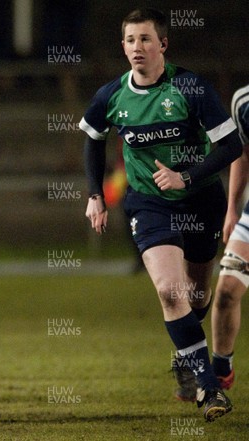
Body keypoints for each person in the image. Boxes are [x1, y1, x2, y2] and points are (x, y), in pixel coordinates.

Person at [80, 8, 242, 422]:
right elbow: (93, 140)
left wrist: (185, 176)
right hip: (149, 204)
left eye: (146, 39)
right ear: (123, 47)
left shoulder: (190, 88)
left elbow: (231, 147)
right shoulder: (110, 97)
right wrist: (95, 194)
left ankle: (186, 356)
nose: (138, 48)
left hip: (202, 199)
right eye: (131, 40)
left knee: (197, 298)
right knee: (171, 293)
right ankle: (209, 389)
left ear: (163, 45)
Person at [211, 84, 249, 391]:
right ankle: (221, 374)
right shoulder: (243, 101)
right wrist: (232, 209)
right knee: (225, 291)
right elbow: (242, 153)